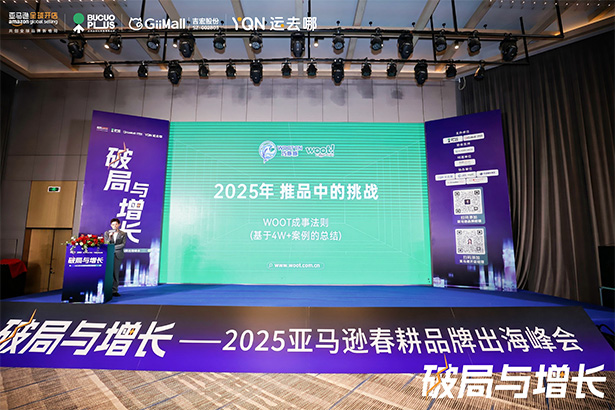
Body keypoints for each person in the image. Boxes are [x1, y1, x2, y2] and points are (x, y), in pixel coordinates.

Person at [104, 218, 126, 297]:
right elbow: (106, 243)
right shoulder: (107, 233)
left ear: (119, 225)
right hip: (109, 255)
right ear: (111, 225)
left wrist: (113, 247)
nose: (114, 226)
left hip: (118, 255)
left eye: (116, 224)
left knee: (115, 273)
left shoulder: (123, 233)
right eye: (113, 224)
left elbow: (123, 244)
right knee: (108, 273)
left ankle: (114, 290)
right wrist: (110, 237)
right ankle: (107, 289)